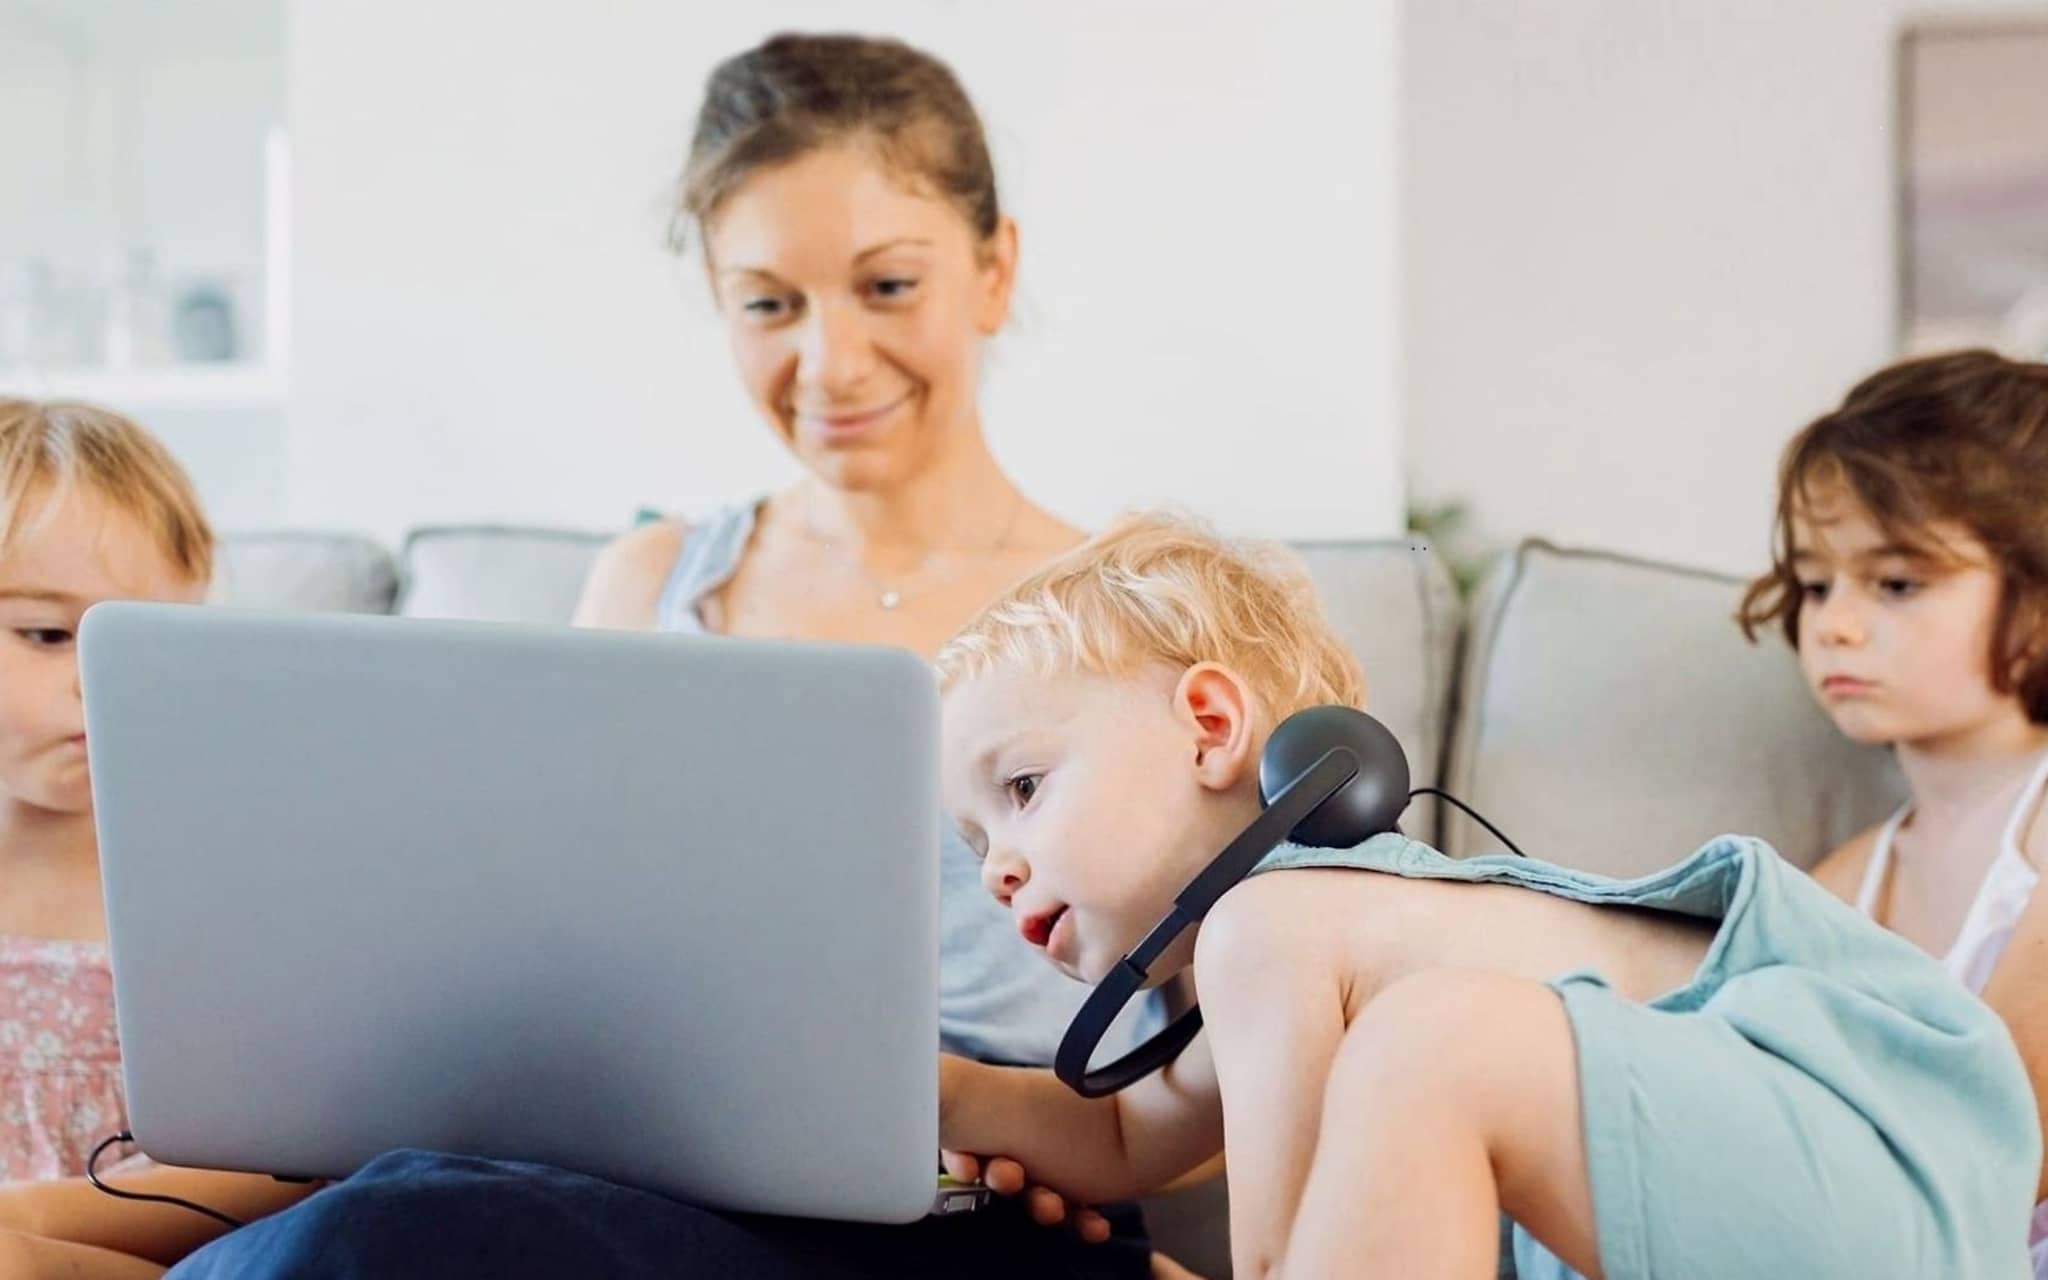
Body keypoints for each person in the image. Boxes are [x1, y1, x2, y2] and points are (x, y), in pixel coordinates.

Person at [171, 33, 1174, 1279]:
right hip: (664, 1188)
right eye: (767, 302)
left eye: (886, 287)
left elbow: (1254, 1044)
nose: (828, 362)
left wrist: (1030, 1131)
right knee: (385, 1211)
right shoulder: (649, 585)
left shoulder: (1133, 607)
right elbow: (557, 963)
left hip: (999, 1195)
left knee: (378, 1235)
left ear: (992, 268)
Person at [936, 511, 2038, 1277]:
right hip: (1819, 1196)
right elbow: (1127, 1133)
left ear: (1211, 727)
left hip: (1864, 1152)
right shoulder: (1292, 945)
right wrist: (929, 1092)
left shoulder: (1267, 924)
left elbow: (1281, 1258)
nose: (997, 864)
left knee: (1432, 1038)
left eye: (1024, 787)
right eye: (974, 835)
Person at [1738, 348, 2048, 1275]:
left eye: (1896, 583)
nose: (1833, 623)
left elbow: (1999, 1146)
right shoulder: (1839, 883)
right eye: (1817, 583)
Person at [0, 398, 318, 1278]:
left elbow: (286, 1172)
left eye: (146, 642)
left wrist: (26, 1219)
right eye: (46, 634)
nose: (94, 679)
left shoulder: (215, 876)